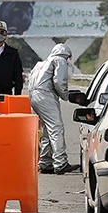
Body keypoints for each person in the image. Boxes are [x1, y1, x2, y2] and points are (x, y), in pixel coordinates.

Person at [28, 43, 80, 175]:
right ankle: (60, 162)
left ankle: (45, 162)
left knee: (47, 130)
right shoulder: (59, 60)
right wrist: (66, 95)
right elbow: (59, 81)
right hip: (45, 95)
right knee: (56, 128)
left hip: (33, 96)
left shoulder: (41, 64)